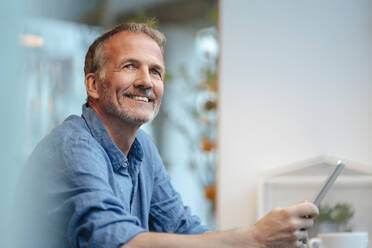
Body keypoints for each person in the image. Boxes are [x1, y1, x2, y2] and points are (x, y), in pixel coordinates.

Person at [19, 23, 318, 248]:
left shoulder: (142, 148)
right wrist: (254, 237)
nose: (146, 82)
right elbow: (119, 242)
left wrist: (267, 237)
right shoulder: (73, 145)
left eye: (156, 72)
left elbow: (183, 228)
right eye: (129, 66)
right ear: (94, 85)